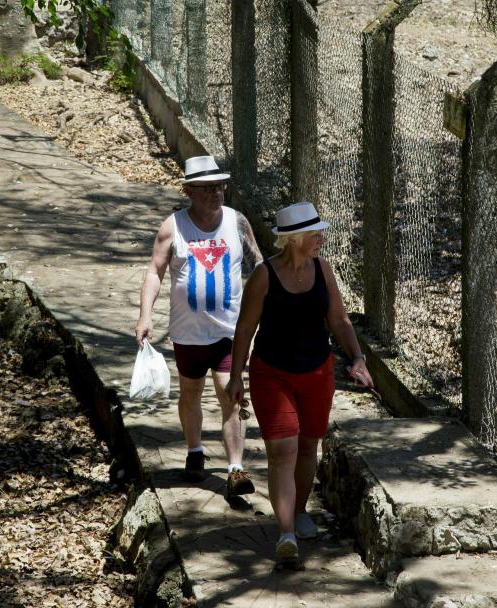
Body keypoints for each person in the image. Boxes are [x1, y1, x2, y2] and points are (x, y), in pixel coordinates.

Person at [225, 201, 374, 563]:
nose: (321, 238)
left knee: (309, 447)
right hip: (271, 374)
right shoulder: (264, 276)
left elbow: (339, 321)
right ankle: (286, 532)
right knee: (283, 452)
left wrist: (357, 358)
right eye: (314, 233)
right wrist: (235, 376)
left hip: (317, 372)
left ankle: (300, 510)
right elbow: (245, 329)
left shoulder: (323, 270)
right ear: (292, 239)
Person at [135, 155, 264, 499]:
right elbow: (154, 272)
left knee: (230, 395)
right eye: (207, 188)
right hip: (188, 334)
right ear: (189, 191)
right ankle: (195, 452)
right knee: (190, 393)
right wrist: (145, 316)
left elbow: (260, 268)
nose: (216, 193)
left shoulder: (237, 223)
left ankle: (235, 468)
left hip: (228, 332)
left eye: (220, 186)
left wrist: (267, 316)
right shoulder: (173, 227)